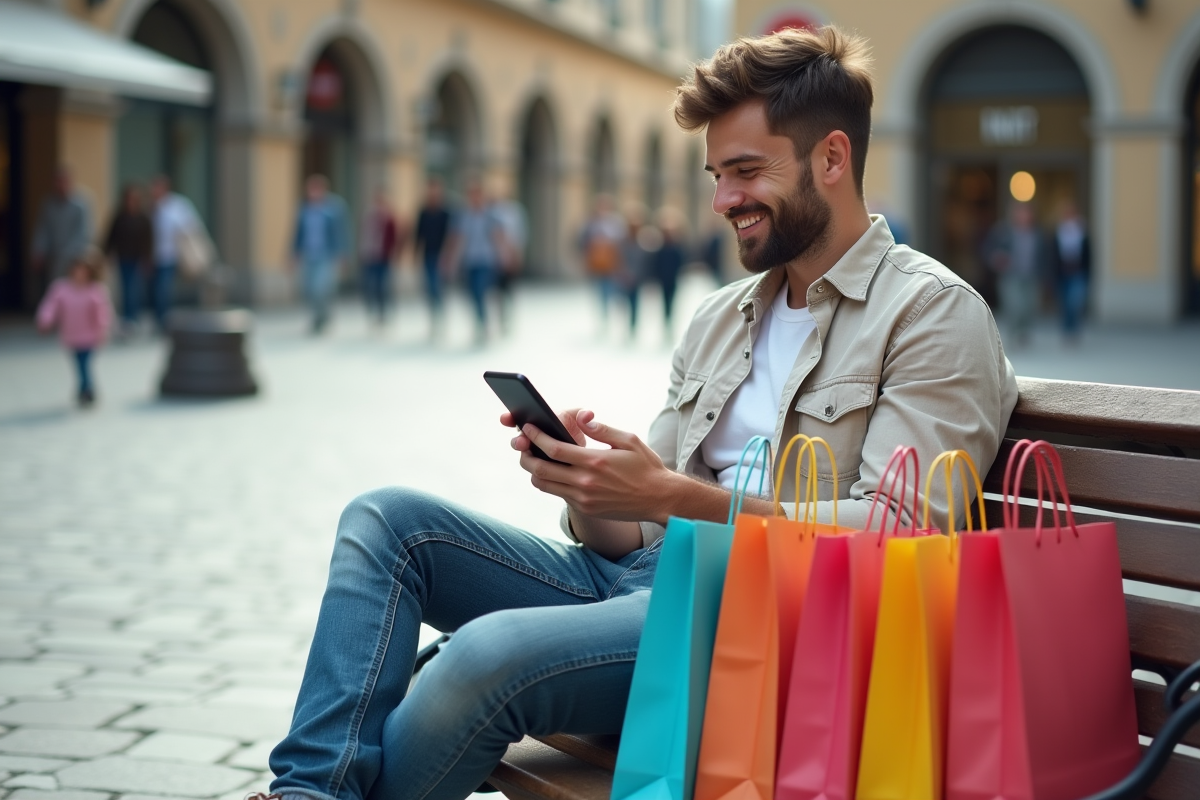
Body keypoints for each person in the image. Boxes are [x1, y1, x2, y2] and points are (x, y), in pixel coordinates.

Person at [261, 26, 1017, 800]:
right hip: (641, 584)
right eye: (717, 175)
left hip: (767, 627)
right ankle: (306, 792)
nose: (723, 200)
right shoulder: (721, 317)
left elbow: (903, 539)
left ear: (831, 158)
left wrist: (676, 497)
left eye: (746, 171)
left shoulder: (930, 315)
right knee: (385, 521)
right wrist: (588, 485)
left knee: (481, 656)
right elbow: (639, 532)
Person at [36, 246, 113, 407]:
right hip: (71, 335)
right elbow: (50, 306)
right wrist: (44, 320)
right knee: (78, 364)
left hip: (90, 336)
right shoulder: (61, 288)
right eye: (77, 269)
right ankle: (84, 388)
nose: (79, 274)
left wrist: (103, 331)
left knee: (84, 364)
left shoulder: (95, 290)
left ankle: (87, 390)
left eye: (83, 270)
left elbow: (103, 314)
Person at [444, 180, 505, 344]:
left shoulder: (490, 216)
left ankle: (484, 323)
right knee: (472, 294)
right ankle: (480, 321)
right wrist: (451, 261)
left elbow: (498, 238)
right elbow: (457, 240)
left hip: (486, 261)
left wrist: (505, 257)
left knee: (480, 291)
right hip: (469, 261)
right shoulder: (464, 217)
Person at [292, 175, 350, 334]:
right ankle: (316, 318)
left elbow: (342, 232)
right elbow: (297, 233)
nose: (313, 192)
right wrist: (293, 254)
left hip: (326, 255)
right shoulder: (304, 208)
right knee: (309, 289)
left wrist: (343, 254)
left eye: (316, 189)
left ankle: (324, 316)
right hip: (309, 254)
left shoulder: (335, 208)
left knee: (322, 288)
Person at [983, 201, 1045, 349]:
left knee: (1029, 306)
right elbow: (988, 249)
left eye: (1027, 213)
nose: (1024, 216)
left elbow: (1044, 256)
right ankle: (1014, 332)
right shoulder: (1004, 231)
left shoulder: (1037, 234)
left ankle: (1023, 332)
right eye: (1021, 213)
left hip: (1031, 276)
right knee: (1014, 305)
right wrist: (996, 259)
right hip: (1011, 276)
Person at [148, 175, 203, 332]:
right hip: (152, 257)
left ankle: (164, 321)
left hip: (170, 255)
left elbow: (191, 225)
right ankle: (159, 319)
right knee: (155, 289)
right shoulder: (151, 207)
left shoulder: (177, 205)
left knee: (163, 289)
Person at [103, 184, 154, 335]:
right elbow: (110, 237)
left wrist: (147, 259)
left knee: (135, 288)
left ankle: (134, 317)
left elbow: (148, 241)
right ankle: (127, 319)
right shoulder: (119, 217)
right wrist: (106, 254)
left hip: (137, 259)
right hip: (123, 257)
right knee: (125, 288)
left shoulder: (143, 218)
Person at [31, 166, 92, 289]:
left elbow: (84, 233)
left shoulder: (81, 204)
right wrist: (38, 250)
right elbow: (42, 230)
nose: (60, 185)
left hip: (75, 259)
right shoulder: (48, 204)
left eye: (63, 181)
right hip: (53, 258)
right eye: (57, 182)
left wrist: (67, 255)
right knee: (55, 290)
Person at [579, 193, 627, 330]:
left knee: (612, 290)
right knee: (600, 291)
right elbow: (582, 242)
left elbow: (622, 244)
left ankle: (612, 315)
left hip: (612, 264)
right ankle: (604, 317)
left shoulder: (616, 222)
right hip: (597, 264)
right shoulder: (591, 223)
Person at [413, 178, 453, 339]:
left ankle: (440, 316)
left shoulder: (446, 212)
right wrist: (415, 254)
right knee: (430, 288)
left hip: (441, 256)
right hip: (428, 254)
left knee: (438, 287)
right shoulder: (423, 211)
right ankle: (434, 318)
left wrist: (448, 255)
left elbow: (451, 235)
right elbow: (418, 234)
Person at [1049, 201, 1090, 344]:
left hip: (1078, 272)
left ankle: (1075, 329)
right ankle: (1066, 330)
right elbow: (1054, 254)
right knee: (1065, 303)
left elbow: (1088, 253)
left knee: (1076, 302)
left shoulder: (1082, 230)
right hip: (1062, 272)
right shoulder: (1059, 231)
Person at [360, 187, 400, 328]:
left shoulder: (389, 218)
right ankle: (372, 312)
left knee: (382, 286)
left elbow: (394, 239)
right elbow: (364, 236)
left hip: (384, 257)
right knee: (369, 286)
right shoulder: (369, 216)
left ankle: (383, 313)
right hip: (369, 256)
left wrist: (393, 254)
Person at [491, 184, 528, 335]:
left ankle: (509, 313)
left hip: (511, 256)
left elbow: (521, 235)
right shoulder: (494, 212)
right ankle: (502, 316)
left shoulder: (517, 212)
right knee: (499, 290)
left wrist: (518, 255)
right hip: (497, 258)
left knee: (509, 288)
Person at [651, 207, 687, 338]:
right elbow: (656, 264)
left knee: (671, 301)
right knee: (664, 302)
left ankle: (669, 322)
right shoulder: (661, 248)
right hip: (664, 279)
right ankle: (666, 322)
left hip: (672, 279)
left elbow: (681, 263)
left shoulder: (676, 248)